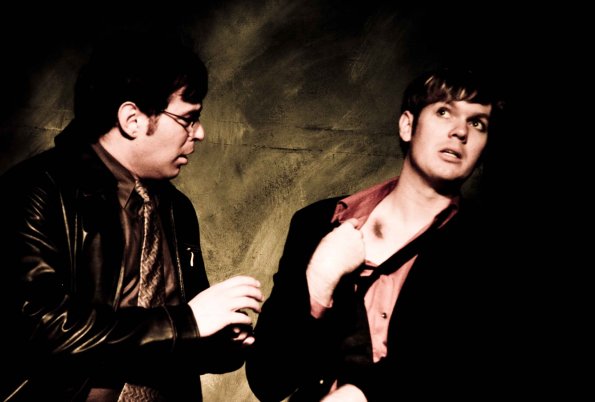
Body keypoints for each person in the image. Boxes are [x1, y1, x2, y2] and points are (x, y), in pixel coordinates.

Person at [0, 30, 263, 402]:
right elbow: (39, 326)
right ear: (132, 119)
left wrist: (219, 342)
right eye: (188, 118)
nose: (200, 133)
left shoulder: (176, 209)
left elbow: (177, 337)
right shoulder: (37, 190)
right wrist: (186, 323)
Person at [246, 67, 506, 401]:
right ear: (407, 125)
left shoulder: (489, 249)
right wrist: (319, 280)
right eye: (444, 112)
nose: (460, 131)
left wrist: (364, 391)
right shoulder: (316, 223)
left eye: (477, 123)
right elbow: (267, 379)